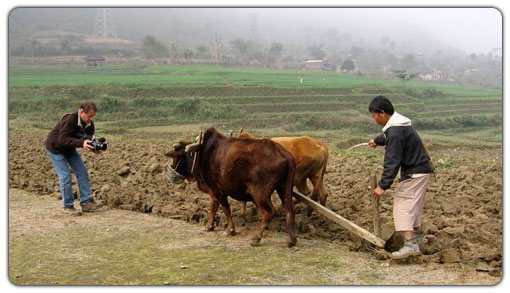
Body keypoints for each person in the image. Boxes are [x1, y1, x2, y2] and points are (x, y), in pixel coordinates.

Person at [367, 95, 432, 259]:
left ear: (382, 113)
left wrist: (383, 185)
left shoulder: (395, 131)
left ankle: (410, 244)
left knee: (402, 205)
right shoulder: (399, 125)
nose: (374, 119)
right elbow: (390, 138)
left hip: (413, 173)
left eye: (374, 115)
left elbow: (392, 160)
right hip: (421, 170)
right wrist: (377, 140)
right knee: (414, 208)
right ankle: (416, 243)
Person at [45, 101, 104, 216]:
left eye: (93, 116)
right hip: (55, 148)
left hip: (69, 149)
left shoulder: (89, 124)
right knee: (65, 176)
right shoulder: (70, 120)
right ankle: (68, 206)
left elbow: (87, 139)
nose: (91, 119)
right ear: (82, 112)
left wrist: (94, 149)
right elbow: (63, 139)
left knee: (82, 172)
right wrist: (82, 143)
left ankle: (87, 202)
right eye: (89, 116)